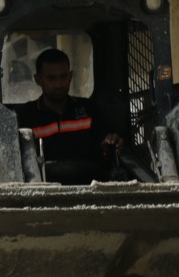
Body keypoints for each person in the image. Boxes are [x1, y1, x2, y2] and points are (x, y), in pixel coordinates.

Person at [13, 47, 123, 184]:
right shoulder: (25, 117)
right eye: (51, 78)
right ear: (38, 79)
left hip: (91, 187)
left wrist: (111, 144)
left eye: (63, 77)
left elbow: (108, 144)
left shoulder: (90, 110)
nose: (58, 84)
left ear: (70, 76)